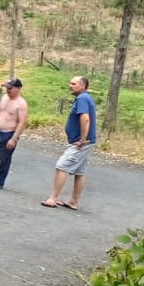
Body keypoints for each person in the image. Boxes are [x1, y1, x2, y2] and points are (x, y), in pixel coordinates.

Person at [42, 76, 96, 210]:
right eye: (70, 83)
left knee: (62, 166)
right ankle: (73, 201)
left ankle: (53, 198)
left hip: (80, 142)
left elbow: (85, 119)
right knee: (80, 171)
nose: (70, 85)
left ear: (83, 86)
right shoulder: (83, 98)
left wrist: (82, 139)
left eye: (74, 84)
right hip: (83, 141)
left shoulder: (83, 98)